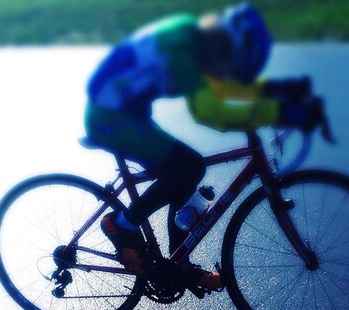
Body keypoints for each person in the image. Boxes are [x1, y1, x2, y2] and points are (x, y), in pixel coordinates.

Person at [85, 3, 322, 291]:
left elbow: (226, 86)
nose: (227, 72)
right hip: (110, 119)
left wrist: (279, 93)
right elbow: (210, 112)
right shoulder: (183, 49)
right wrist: (277, 112)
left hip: (128, 114)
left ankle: (177, 263)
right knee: (189, 165)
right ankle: (122, 224)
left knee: (184, 173)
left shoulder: (199, 40)